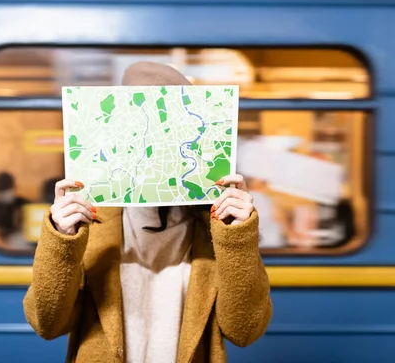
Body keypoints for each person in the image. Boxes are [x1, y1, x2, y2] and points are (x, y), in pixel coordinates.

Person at [23, 62, 273, 363]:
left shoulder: (217, 227)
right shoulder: (86, 219)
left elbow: (244, 331)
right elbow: (47, 324)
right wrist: (63, 239)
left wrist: (238, 236)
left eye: (166, 130)